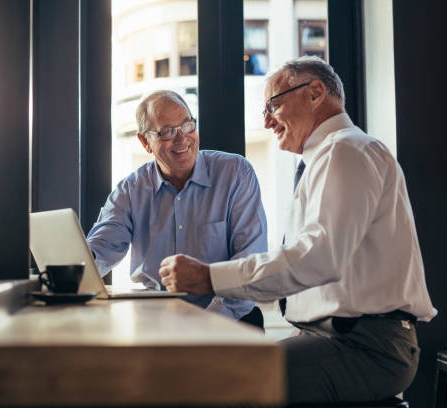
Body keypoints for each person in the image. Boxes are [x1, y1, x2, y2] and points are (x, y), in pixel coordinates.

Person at [158, 57, 436, 403]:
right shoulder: (330, 156)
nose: (266, 120)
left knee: (225, 381)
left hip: (365, 347)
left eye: (274, 104)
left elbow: (318, 258)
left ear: (316, 92)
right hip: (339, 340)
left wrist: (210, 277)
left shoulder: (346, 149)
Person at [87, 90, 268, 324]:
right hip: (157, 321)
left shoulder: (236, 173)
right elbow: (102, 248)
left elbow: (250, 263)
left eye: (188, 126)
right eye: (167, 132)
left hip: (227, 318)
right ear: (145, 142)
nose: (182, 139)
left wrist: (205, 324)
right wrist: (75, 267)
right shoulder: (130, 190)